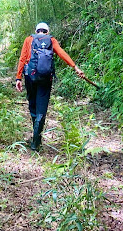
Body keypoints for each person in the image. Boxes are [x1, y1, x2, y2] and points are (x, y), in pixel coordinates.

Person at [15, 22, 85, 150]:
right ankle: (36, 142)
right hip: (46, 78)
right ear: (47, 32)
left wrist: (18, 78)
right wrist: (75, 67)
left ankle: (35, 136)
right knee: (42, 108)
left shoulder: (29, 39)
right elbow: (62, 53)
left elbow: (22, 58)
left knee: (33, 105)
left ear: (36, 31)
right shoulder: (51, 40)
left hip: (30, 76)